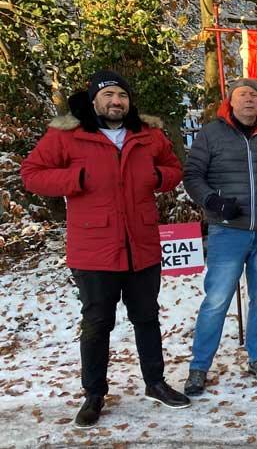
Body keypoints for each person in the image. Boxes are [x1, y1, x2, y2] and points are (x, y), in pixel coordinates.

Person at [21, 70, 190, 428]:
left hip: (142, 245)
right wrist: (75, 179)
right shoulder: (67, 135)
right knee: (97, 323)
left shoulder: (147, 134)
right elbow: (32, 174)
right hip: (94, 248)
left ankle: (155, 382)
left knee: (147, 318)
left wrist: (159, 178)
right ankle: (94, 393)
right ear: (95, 99)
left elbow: (174, 168)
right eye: (109, 95)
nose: (117, 102)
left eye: (122, 96)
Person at [182, 78, 257, 395]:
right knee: (216, 301)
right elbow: (192, 175)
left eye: (254, 94)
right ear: (230, 101)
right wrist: (212, 200)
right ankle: (199, 366)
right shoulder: (212, 133)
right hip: (228, 231)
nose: (249, 99)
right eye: (243, 94)